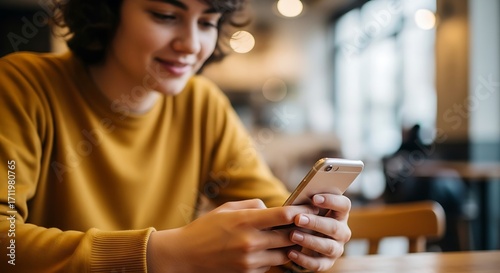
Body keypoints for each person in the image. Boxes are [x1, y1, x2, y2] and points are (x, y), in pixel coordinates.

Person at [0, 0, 352, 272]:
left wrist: (308, 240)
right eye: (165, 15)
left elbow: (274, 211)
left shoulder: (203, 104)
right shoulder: (22, 86)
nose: (191, 45)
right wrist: (161, 254)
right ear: (106, 10)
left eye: (207, 23)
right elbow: (7, 243)